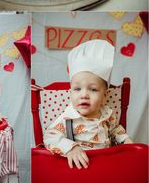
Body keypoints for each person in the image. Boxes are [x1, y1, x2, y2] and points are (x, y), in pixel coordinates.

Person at [43, 39, 133, 169]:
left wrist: (125, 140)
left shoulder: (107, 114)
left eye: (93, 89)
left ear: (104, 97)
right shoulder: (68, 118)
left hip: (106, 164)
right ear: (71, 93)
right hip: (79, 167)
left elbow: (115, 130)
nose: (84, 95)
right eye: (77, 89)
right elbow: (49, 137)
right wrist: (70, 148)